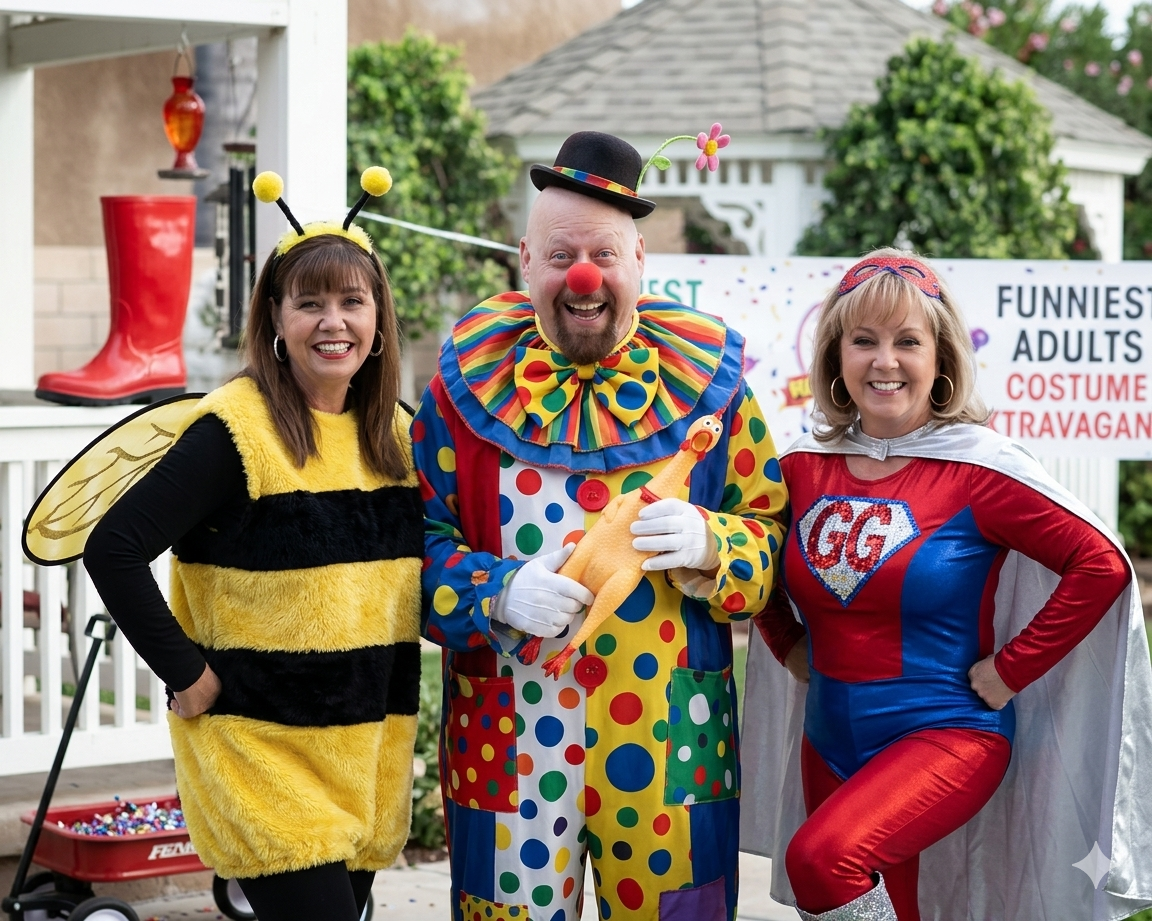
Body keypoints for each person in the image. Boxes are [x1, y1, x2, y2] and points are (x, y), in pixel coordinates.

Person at [414, 131, 788, 921]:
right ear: (524, 261)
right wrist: (496, 589)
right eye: (560, 256)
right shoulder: (461, 392)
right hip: (505, 745)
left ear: (641, 261)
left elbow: (772, 536)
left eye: (604, 255)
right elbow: (409, 548)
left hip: (666, 746)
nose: (583, 276)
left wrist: (714, 544)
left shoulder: (711, 389)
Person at [741, 248, 1152, 921]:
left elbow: (1101, 564)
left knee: (821, 859)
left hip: (947, 732)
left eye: (908, 341)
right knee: (889, 901)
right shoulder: (800, 470)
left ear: (941, 360)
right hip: (830, 739)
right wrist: (787, 640)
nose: (885, 360)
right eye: (864, 340)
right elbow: (750, 559)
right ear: (836, 357)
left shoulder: (979, 469)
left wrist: (1013, 669)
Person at [84, 171, 424, 921]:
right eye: (309, 302)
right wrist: (186, 672)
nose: (332, 322)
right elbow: (112, 545)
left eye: (351, 301)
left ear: (378, 319)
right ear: (276, 316)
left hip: (365, 755)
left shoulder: (396, 436)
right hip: (260, 754)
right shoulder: (233, 431)